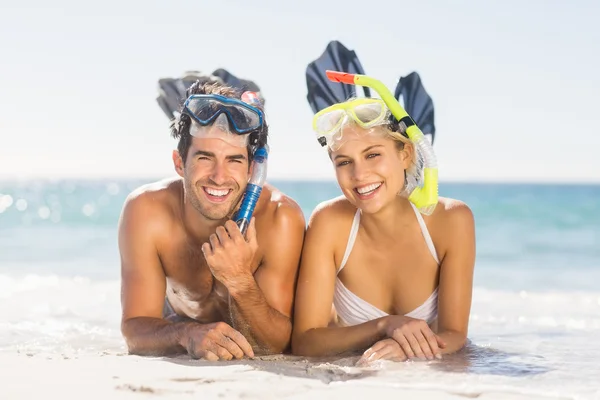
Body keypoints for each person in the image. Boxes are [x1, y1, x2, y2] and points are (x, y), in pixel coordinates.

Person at [118, 80, 306, 361]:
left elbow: (278, 346)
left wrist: (240, 280)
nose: (219, 176)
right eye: (205, 158)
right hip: (179, 317)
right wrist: (186, 335)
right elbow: (134, 330)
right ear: (179, 163)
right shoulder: (146, 211)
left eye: (234, 160)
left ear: (252, 170)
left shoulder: (280, 218)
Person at [291, 91, 476, 364]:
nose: (359, 175)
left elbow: (455, 335)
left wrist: (405, 349)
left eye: (373, 155)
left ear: (406, 154)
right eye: (344, 162)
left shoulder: (452, 220)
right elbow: (306, 342)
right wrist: (385, 325)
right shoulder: (329, 221)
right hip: (356, 380)